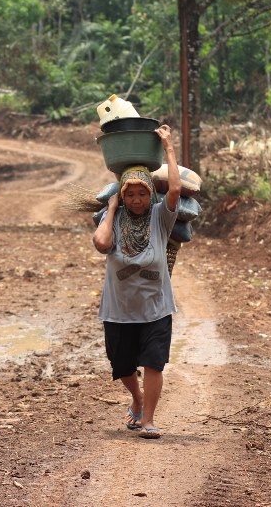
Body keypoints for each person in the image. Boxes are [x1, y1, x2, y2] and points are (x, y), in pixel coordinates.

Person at [92, 124, 181, 439]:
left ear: (150, 194)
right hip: (119, 309)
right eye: (129, 193)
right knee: (122, 363)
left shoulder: (161, 216)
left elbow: (174, 191)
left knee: (154, 361)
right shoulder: (114, 219)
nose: (137, 199)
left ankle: (148, 420)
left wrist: (168, 146)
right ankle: (138, 400)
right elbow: (102, 244)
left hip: (156, 306)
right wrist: (112, 206)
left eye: (142, 192)